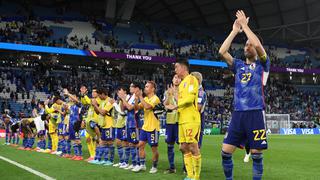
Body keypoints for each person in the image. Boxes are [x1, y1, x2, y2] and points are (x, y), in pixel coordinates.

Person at [218, 10, 270, 180]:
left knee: (256, 154)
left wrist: (246, 27)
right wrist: (235, 30)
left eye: (250, 44)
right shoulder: (238, 65)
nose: (247, 46)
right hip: (238, 114)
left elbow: (259, 46)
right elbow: (222, 51)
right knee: (225, 152)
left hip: (255, 113)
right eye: (245, 44)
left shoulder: (264, 64)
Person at [169, 59, 201, 180]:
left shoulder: (192, 79)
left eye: (177, 67)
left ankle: (196, 177)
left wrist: (176, 105)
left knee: (193, 146)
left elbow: (189, 99)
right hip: (182, 119)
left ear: (183, 68)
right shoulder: (182, 84)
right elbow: (181, 100)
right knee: (183, 147)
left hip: (191, 119)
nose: (175, 70)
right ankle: (190, 175)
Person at [133, 81, 161, 174]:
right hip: (145, 127)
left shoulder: (155, 98)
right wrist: (136, 98)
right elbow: (136, 108)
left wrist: (140, 96)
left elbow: (148, 107)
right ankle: (142, 165)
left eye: (147, 87)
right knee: (140, 146)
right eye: (145, 86)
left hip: (153, 128)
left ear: (152, 89)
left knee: (154, 149)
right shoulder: (145, 98)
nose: (145, 88)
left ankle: (154, 166)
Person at [163, 74, 181, 174]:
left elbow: (182, 104)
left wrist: (174, 98)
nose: (177, 79)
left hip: (180, 121)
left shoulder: (183, 91)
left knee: (183, 146)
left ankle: (186, 168)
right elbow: (165, 105)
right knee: (170, 144)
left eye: (179, 78)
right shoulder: (167, 92)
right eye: (175, 77)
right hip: (170, 121)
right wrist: (169, 97)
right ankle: (172, 167)